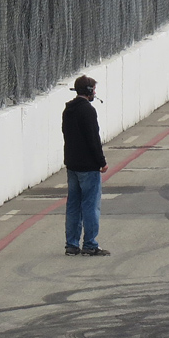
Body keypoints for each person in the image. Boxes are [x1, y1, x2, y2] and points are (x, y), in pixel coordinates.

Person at [62, 75, 110, 256]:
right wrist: (101, 162)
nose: (95, 93)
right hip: (88, 167)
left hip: (72, 164)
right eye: (94, 90)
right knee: (90, 206)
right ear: (89, 91)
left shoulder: (68, 110)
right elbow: (93, 139)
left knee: (73, 205)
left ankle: (71, 245)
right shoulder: (88, 111)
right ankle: (90, 244)